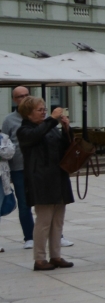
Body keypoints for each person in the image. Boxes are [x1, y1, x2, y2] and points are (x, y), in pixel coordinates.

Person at [17, 97, 75, 271]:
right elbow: (36, 135)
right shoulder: (25, 130)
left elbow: (65, 147)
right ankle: (40, 258)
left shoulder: (50, 128)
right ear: (28, 113)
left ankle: (55, 255)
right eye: (39, 110)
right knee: (44, 222)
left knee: (58, 221)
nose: (43, 112)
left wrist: (66, 129)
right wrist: (52, 119)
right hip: (41, 180)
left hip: (58, 177)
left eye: (44, 109)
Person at [3, 85, 33, 245]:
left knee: (47, 202)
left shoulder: (38, 115)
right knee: (24, 203)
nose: (23, 98)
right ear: (14, 99)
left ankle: (57, 235)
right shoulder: (9, 120)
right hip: (18, 168)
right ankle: (29, 237)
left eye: (26, 95)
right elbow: (4, 143)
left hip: (38, 167)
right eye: (20, 96)